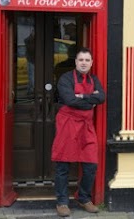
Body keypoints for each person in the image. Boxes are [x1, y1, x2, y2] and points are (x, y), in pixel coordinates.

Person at [51, 47, 105, 217]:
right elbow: (69, 100)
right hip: (68, 124)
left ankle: (83, 197)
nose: (84, 63)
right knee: (63, 165)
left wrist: (81, 97)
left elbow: (101, 97)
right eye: (81, 60)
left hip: (86, 126)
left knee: (91, 165)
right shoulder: (65, 79)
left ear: (91, 63)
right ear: (75, 62)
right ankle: (62, 202)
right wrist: (90, 100)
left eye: (87, 60)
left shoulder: (94, 79)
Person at [24, 29, 35, 94]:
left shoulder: (32, 40)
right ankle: (30, 89)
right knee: (31, 75)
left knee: (31, 75)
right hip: (31, 59)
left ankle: (32, 88)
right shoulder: (29, 40)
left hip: (32, 60)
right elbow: (26, 40)